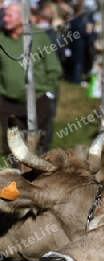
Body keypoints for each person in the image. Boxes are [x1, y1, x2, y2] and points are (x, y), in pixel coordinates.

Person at [0, 2, 62, 155]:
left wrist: (48, 92)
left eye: (9, 15)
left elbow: (54, 67)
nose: (5, 19)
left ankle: (39, 176)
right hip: (7, 102)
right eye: (4, 15)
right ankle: (16, 176)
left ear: (22, 18)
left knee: (37, 144)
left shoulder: (38, 36)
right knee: (12, 145)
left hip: (38, 100)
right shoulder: (2, 39)